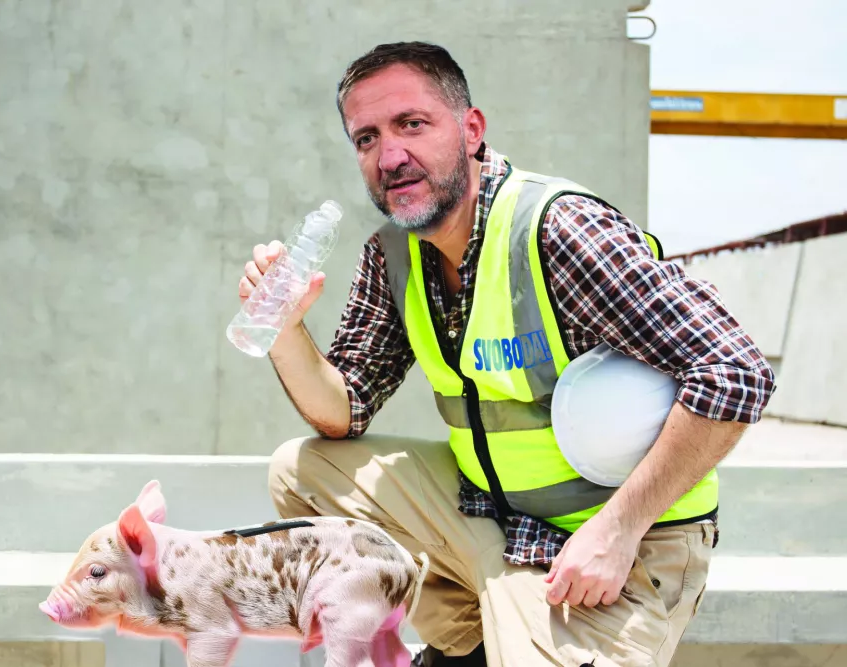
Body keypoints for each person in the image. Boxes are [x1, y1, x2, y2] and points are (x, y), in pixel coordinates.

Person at [237, 41, 776, 666]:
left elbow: (735, 371)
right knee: (300, 473)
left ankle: (518, 627)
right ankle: (469, 636)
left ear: (471, 130)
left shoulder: (557, 230)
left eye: (412, 124)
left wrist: (619, 529)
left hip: (620, 545)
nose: (390, 156)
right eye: (366, 138)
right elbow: (343, 411)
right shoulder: (393, 255)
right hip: (498, 522)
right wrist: (283, 330)